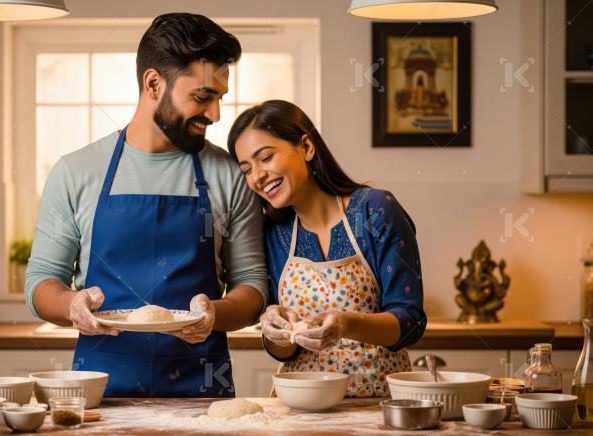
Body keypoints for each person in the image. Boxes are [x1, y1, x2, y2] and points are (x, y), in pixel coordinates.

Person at [25, 13, 268, 397]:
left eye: (220, 98)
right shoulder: (76, 171)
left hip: (203, 395)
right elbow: (41, 281)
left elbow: (252, 286)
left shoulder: (229, 174)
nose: (216, 114)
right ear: (154, 83)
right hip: (99, 396)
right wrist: (72, 304)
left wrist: (213, 315)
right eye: (203, 97)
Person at [228, 100, 426, 397]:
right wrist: (275, 332)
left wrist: (344, 325)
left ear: (306, 147)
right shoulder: (272, 232)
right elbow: (284, 351)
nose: (257, 176)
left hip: (374, 403)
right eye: (246, 170)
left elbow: (410, 322)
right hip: (298, 405)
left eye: (266, 157)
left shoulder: (374, 210)